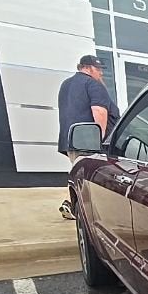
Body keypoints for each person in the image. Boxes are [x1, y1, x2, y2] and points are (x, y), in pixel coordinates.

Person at [57, 55, 119, 219]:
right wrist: (101, 141)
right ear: (89, 68)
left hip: (73, 142)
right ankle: (85, 214)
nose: (101, 74)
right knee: (93, 182)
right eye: (98, 69)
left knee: (80, 177)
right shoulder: (93, 84)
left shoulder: (66, 85)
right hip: (90, 144)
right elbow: (99, 112)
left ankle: (74, 206)